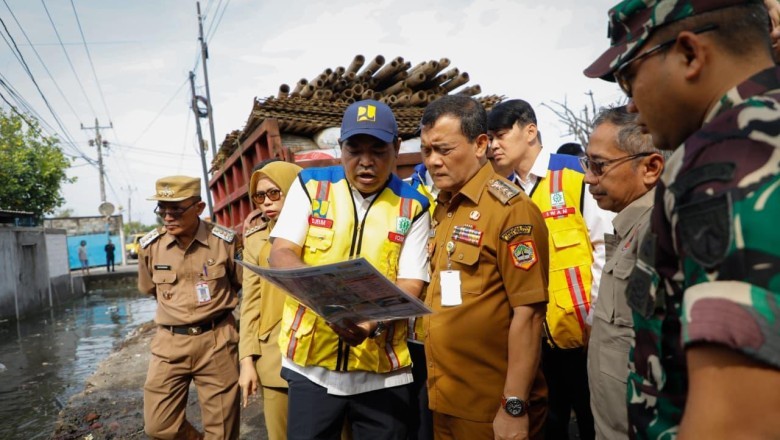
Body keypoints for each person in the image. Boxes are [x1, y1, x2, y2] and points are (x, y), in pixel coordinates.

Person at [585, 1, 780, 438]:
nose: (631, 105)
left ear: (690, 54)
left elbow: (739, 419)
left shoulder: (736, 156)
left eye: (629, 76)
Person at [268, 99, 431, 440]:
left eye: (378, 150)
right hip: (311, 366)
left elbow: (412, 279)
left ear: (397, 148)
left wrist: (371, 322)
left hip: (382, 370)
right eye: (355, 150)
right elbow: (281, 253)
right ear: (340, 147)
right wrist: (328, 303)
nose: (366, 161)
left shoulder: (414, 204)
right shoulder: (311, 187)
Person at [420, 94, 549, 440]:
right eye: (426, 151)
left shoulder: (510, 209)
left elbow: (530, 314)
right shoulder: (444, 208)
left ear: (480, 145)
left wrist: (514, 406)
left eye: (444, 150)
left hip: (492, 409)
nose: (433, 161)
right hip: (444, 400)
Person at [488, 99, 614, 440]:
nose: (493, 145)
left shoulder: (575, 174)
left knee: (593, 423)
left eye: (500, 135)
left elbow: (604, 248)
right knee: (547, 426)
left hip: (583, 336)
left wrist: (597, 322)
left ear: (530, 131)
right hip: (533, 342)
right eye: (490, 138)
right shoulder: (505, 190)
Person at [580, 107, 663, 439]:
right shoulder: (632, 229)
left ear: (650, 167)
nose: (588, 178)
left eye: (599, 166)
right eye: (588, 164)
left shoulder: (660, 235)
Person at [138, 175, 242, 440]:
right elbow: (151, 289)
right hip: (170, 344)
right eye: (162, 210)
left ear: (199, 208)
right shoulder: (150, 247)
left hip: (217, 341)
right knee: (159, 426)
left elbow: (240, 284)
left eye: (176, 209)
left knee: (222, 431)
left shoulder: (225, 243)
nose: (168, 217)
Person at [238, 160, 302, 440]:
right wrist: (246, 362)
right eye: (260, 196)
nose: (266, 202)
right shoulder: (255, 241)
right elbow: (250, 304)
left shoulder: (324, 232)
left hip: (321, 352)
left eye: (275, 193)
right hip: (273, 357)